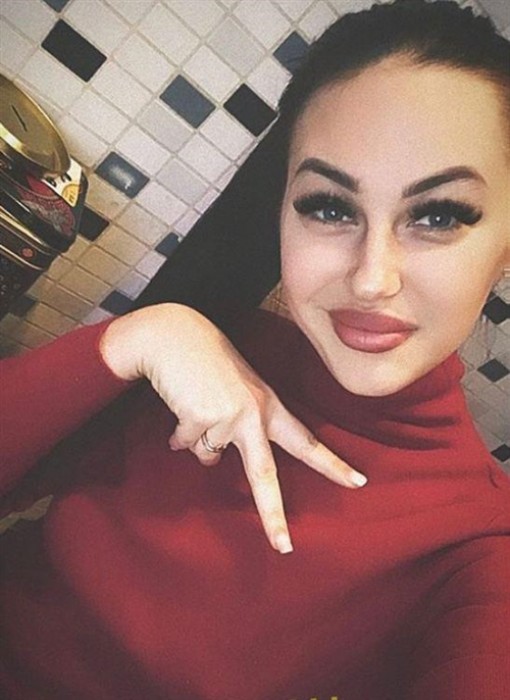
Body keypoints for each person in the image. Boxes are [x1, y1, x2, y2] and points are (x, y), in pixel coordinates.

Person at [1, 0, 509, 698]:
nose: (372, 278)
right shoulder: (191, 356)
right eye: (329, 207)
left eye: (439, 215)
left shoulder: (477, 545)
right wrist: (135, 339)